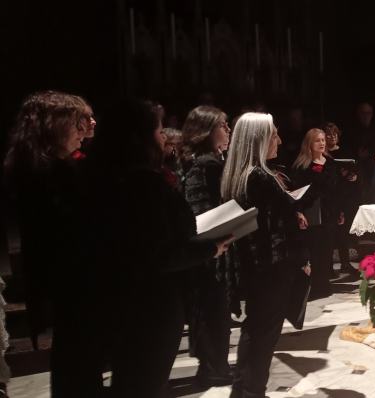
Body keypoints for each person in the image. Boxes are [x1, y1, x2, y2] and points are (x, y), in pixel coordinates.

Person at [82, 99, 233, 397]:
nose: (164, 136)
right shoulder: (141, 185)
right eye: (159, 129)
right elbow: (156, 253)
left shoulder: (106, 178)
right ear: (137, 138)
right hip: (149, 305)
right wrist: (209, 250)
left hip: (131, 301)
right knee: (143, 382)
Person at [3, 90, 101, 396]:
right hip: (68, 282)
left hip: (62, 280)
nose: (85, 129)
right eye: (79, 122)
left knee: (75, 361)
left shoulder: (38, 165)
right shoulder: (50, 172)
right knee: (78, 363)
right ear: (54, 125)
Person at [221, 112, 307, 398]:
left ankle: (245, 390)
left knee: (256, 331)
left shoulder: (241, 174)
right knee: (263, 335)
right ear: (258, 139)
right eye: (273, 135)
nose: (279, 141)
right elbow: (276, 224)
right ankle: (250, 391)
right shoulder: (259, 177)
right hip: (271, 267)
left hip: (258, 267)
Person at [181, 105, 234, 387]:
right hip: (212, 246)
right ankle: (214, 366)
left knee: (213, 306)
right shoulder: (208, 164)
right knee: (213, 307)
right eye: (223, 125)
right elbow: (213, 207)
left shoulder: (207, 160)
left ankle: (213, 364)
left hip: (211, 244)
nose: (228, 129)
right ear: (207, 130)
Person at [292, 128, 345, 297]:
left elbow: (337, 189)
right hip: (312, 211)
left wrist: (340, 211)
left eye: (323, 140)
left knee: (327, 250)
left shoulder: (330, 163)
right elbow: (298, 192)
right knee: (314, 250)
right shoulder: (303, 166)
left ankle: (324, 285)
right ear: (309, 144)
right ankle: (313, 287)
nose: (322, 143)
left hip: (330, 211)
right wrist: (299, 212)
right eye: (318, 140)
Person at [323, 122, 361, 277]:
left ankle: (345, 263)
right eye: (329, 134)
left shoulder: (344, 151)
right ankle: (329, 267)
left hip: (346, 196)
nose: (332, 137)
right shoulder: (322, 154)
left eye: (335, 134)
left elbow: (356, 168)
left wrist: (354, 176)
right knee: (331, 233)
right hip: (331, 197)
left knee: (343, 232)